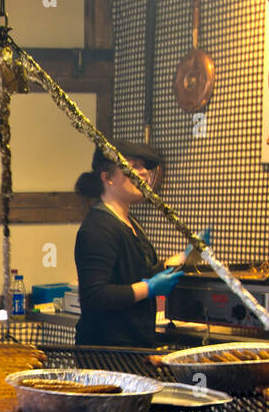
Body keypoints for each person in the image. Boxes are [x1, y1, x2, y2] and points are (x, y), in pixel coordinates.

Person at [72, 144, 197, 347]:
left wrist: (182, 259)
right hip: (106, 353)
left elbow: (136, 272)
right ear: (107, 177)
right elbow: (94, 296)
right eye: (135, 166)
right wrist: (149, 288)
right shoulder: (98, 227)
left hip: (135, 344)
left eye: (145, 167)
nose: (144, 173)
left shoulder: (131, 222)